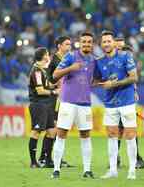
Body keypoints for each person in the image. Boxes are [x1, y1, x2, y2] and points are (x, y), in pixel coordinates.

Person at [51, 32, 96, 179]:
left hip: (85, 103)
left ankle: (87, 170)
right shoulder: (70, 56)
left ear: (92, 44)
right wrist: (71, 68)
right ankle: (56, 169)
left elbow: (95, 80)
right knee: (62, 133)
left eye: (89, 42)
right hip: (68, 102)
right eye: (84, 42)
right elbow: (55, 75)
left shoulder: (94, 61)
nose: (86, 44)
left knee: (85, 135)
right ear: (79, 43)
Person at [96, 31, 139, 180]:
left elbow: (134, 77)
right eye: (104, 42)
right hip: (110, 103)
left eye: (109, 41)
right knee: (112, 135)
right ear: (101, 45)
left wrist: (114, 83)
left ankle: (132, 170)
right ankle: (113, 170)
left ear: (114, 43)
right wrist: (102, 84)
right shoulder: (99, 61)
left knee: (130, 135)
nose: (107, 44)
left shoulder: (126, 56)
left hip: (127, 102)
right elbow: (95, 81)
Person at [39, 36, 73, 168]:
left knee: (60, 128)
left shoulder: (66, 59)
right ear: (59, 45)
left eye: (70, 44)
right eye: (66, 44)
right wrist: (55, 87)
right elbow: (47, 80)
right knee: (53, 129)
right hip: (54, 99)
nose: (69, 47)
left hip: (64, 97)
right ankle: (44, 158)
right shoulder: (53, 61)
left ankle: (56, 157)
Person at [119, 44, 144, 169]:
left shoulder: (124, 66)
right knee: (127, 131)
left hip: (125, 102)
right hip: (123, 103)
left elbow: (132, 82)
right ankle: (136, 159)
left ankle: (116, 159)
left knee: (120, 131)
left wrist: (134, 91)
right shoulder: (122, 67)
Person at [27, 47, 57, 168]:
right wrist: (54, 92)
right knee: (36, 131)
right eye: (47, 54)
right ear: (44, 56)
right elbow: (40, 90)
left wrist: (56, 86)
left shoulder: (42, 70)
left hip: (46, 104)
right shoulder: (37, 71)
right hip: (38, 104)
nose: (49, 56)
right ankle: (33, 162)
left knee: (51, 131)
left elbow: (47, 85)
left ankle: (48, 160)